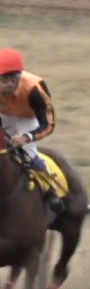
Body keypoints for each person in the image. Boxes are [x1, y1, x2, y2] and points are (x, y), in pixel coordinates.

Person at [0, 47, 64, 214]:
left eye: (14, 79)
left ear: (20, 75)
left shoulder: (35, 89)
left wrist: (26, 138)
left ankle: (50, 189)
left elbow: (49, 124)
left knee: (28, 151)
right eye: (4, 80)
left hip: (27, 118)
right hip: (3, 114)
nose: (10, 84)